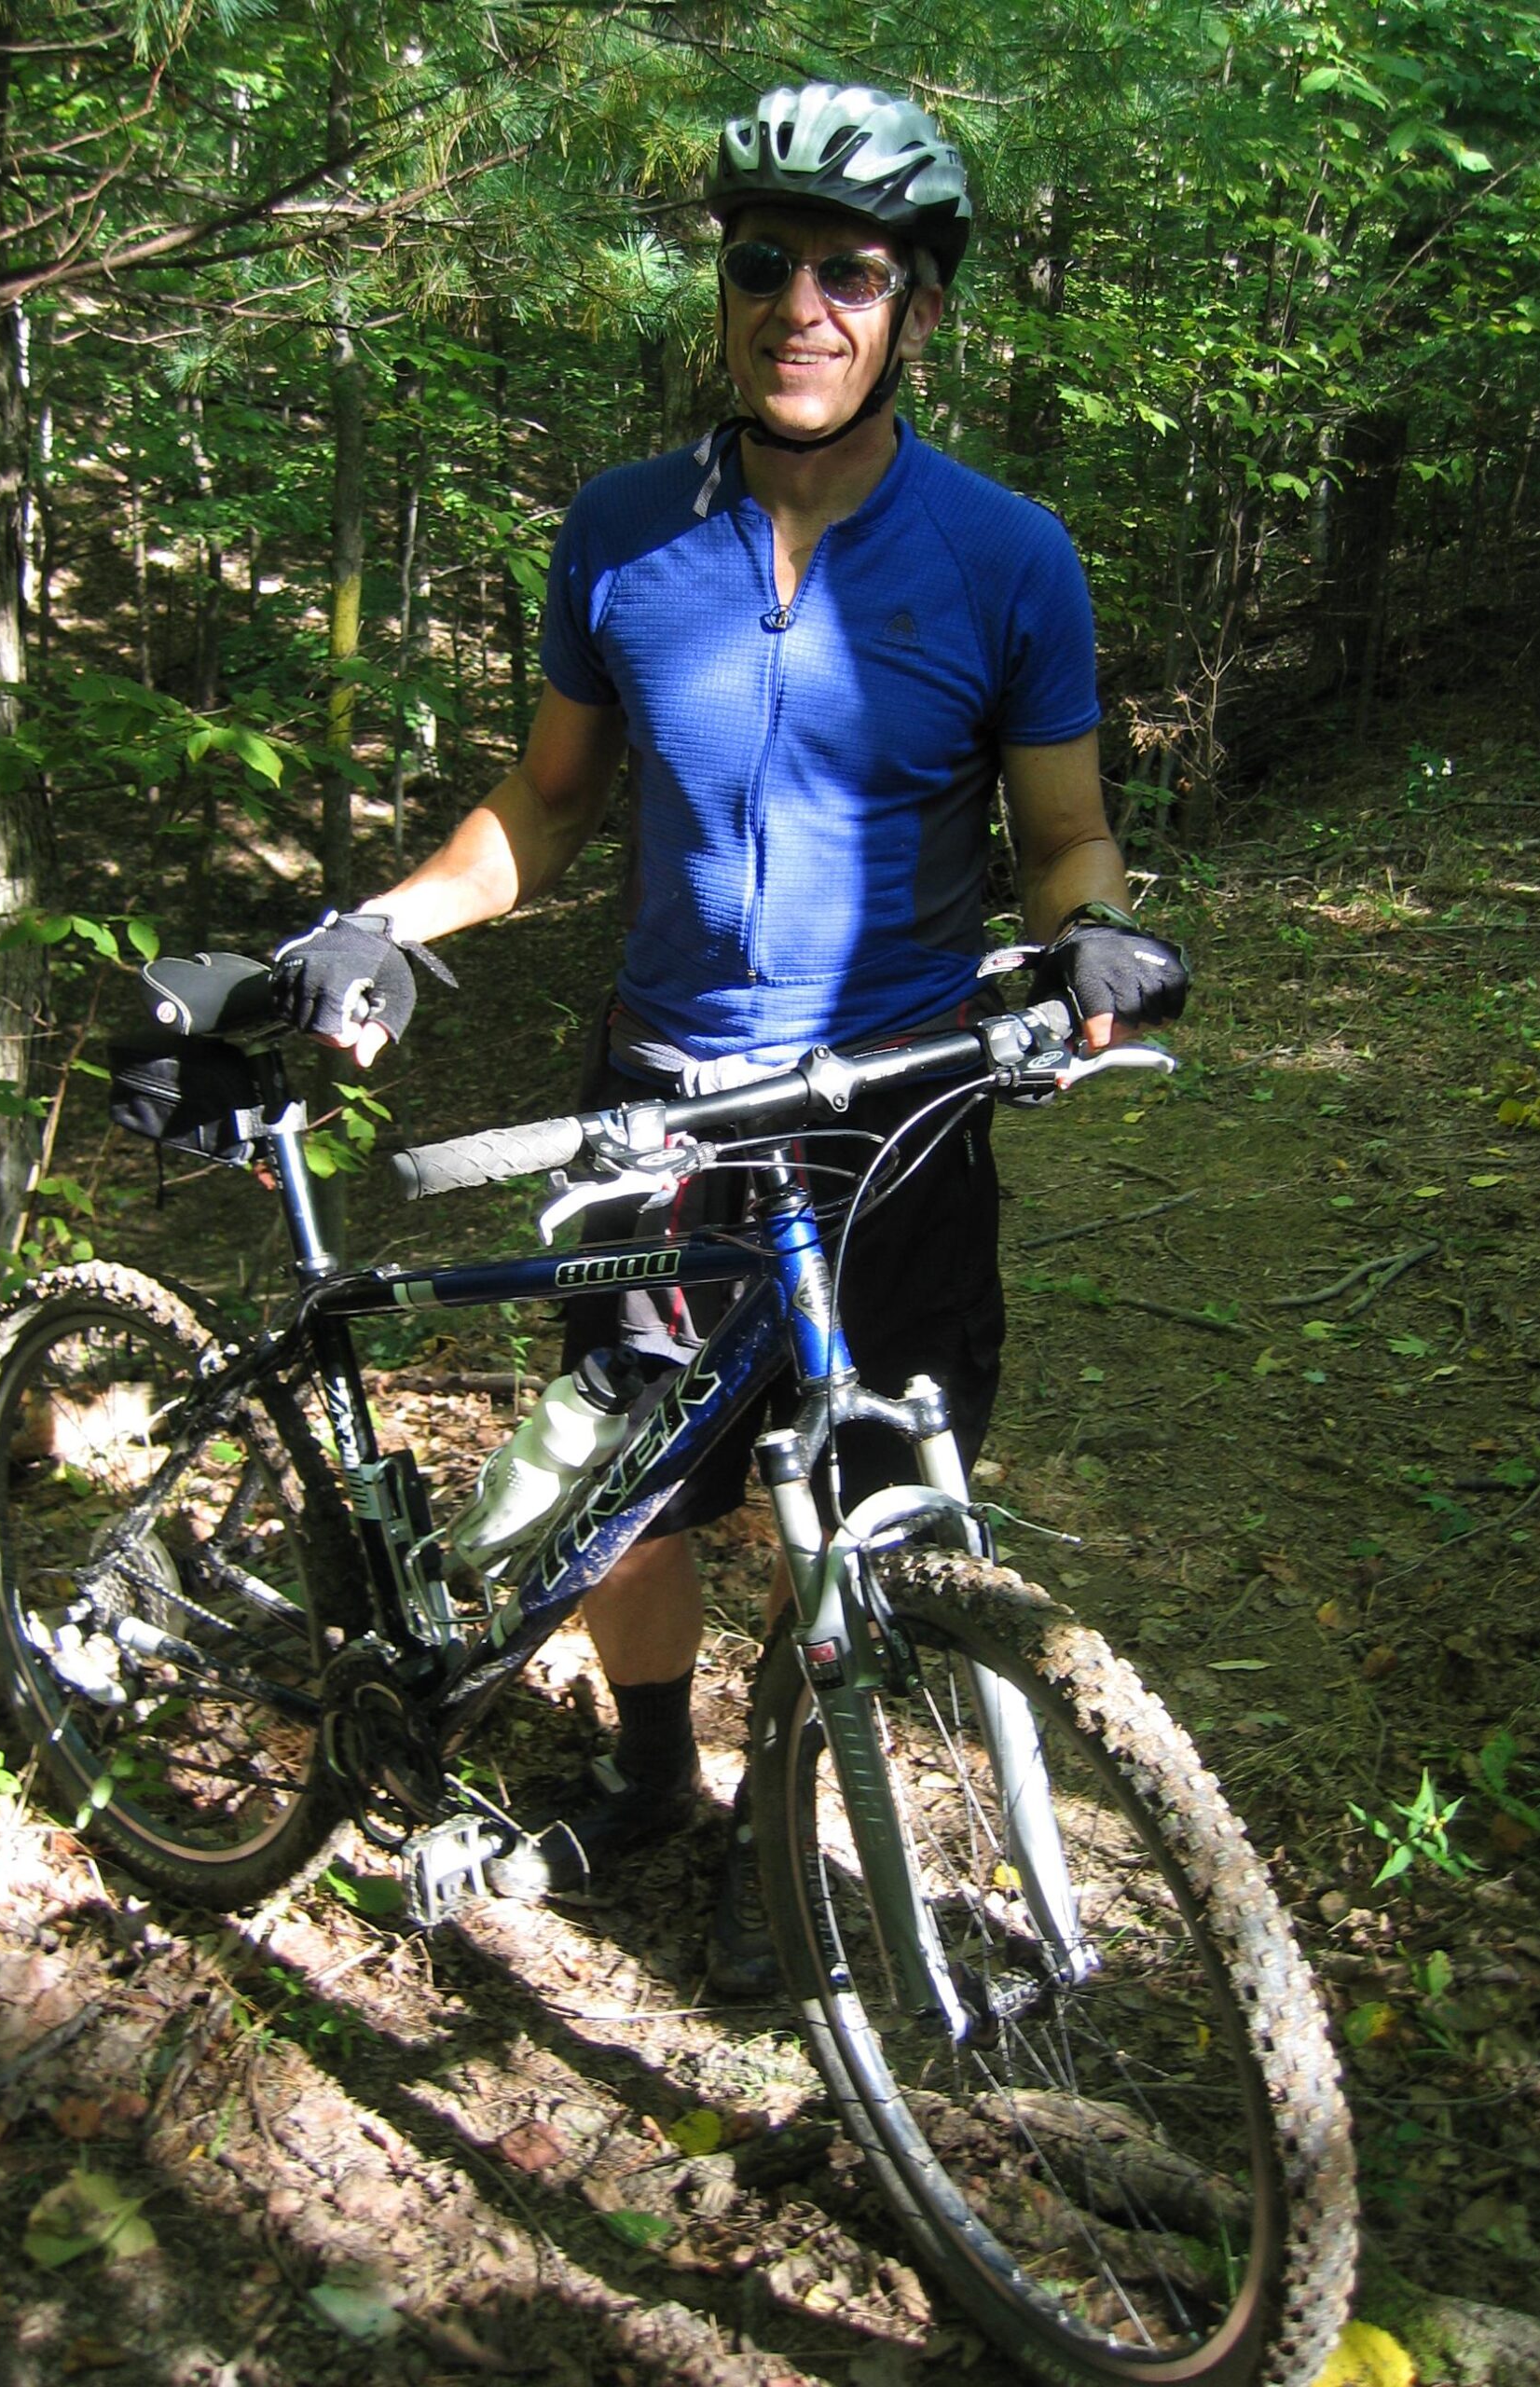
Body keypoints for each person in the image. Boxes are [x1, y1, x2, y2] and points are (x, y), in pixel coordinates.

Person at [268, 82, 1189, 1991]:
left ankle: (793, 1813)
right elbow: (544, 803)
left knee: (865, 1497)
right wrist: (388, 914)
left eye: (851, 272)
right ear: (727, 287)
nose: (801, 304)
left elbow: (1065, 829)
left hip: (897, 1102)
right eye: (764, 263)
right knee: (638, 1479)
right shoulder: (622, 534)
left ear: (916, 309)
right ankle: (650, 1775)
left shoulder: (1010, 557)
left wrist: (1091, 938)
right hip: (663, 1095)